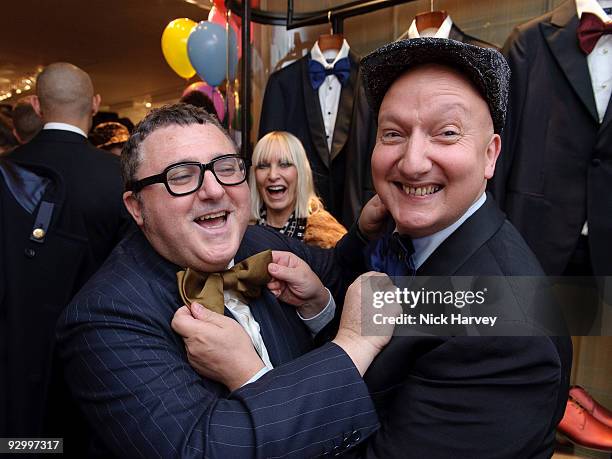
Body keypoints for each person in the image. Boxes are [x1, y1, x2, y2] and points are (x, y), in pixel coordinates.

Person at [183, 38, 573, 458]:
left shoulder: (506, 339)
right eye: (393, 133)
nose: (412, 161)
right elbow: (379, 365)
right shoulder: (404, 237)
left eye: (446, 133)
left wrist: (251, 376)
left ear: (490, 155)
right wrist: (322, 310)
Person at [57, 103, 395, 458]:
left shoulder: (263, 242)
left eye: (226, 167)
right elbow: (201, 449)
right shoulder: (103, 318)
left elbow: (350, 280)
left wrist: (323, 301)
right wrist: (353, 346)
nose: (214, 190)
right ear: (137, 207)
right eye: (182, 176)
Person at [2, 62, 132, 452]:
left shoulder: (8, 172)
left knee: (25, 445)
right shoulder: (119, 176)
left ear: (37, 107)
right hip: (101, 360)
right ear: (95, 104)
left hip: (16, 361)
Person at [251, 130, 347, 248]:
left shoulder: (326, 235)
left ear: (300, 172)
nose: (273, 175)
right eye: (263, 166)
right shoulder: (241, 229)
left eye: (284, 164)